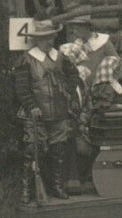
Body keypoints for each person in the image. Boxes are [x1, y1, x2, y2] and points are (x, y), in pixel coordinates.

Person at [12, 19, 83, 202]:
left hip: (59, 114)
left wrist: (66, 90)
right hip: (36, 115)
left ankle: (57, 187)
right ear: (36, 40)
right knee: (32, 151)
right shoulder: (26, 60)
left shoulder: (60, 57)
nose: (49, 41)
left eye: (51, 37)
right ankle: (27, 190)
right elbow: (22, 88)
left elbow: (74, 74)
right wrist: (32, 106)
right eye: (44, 38)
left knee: (58, 151)